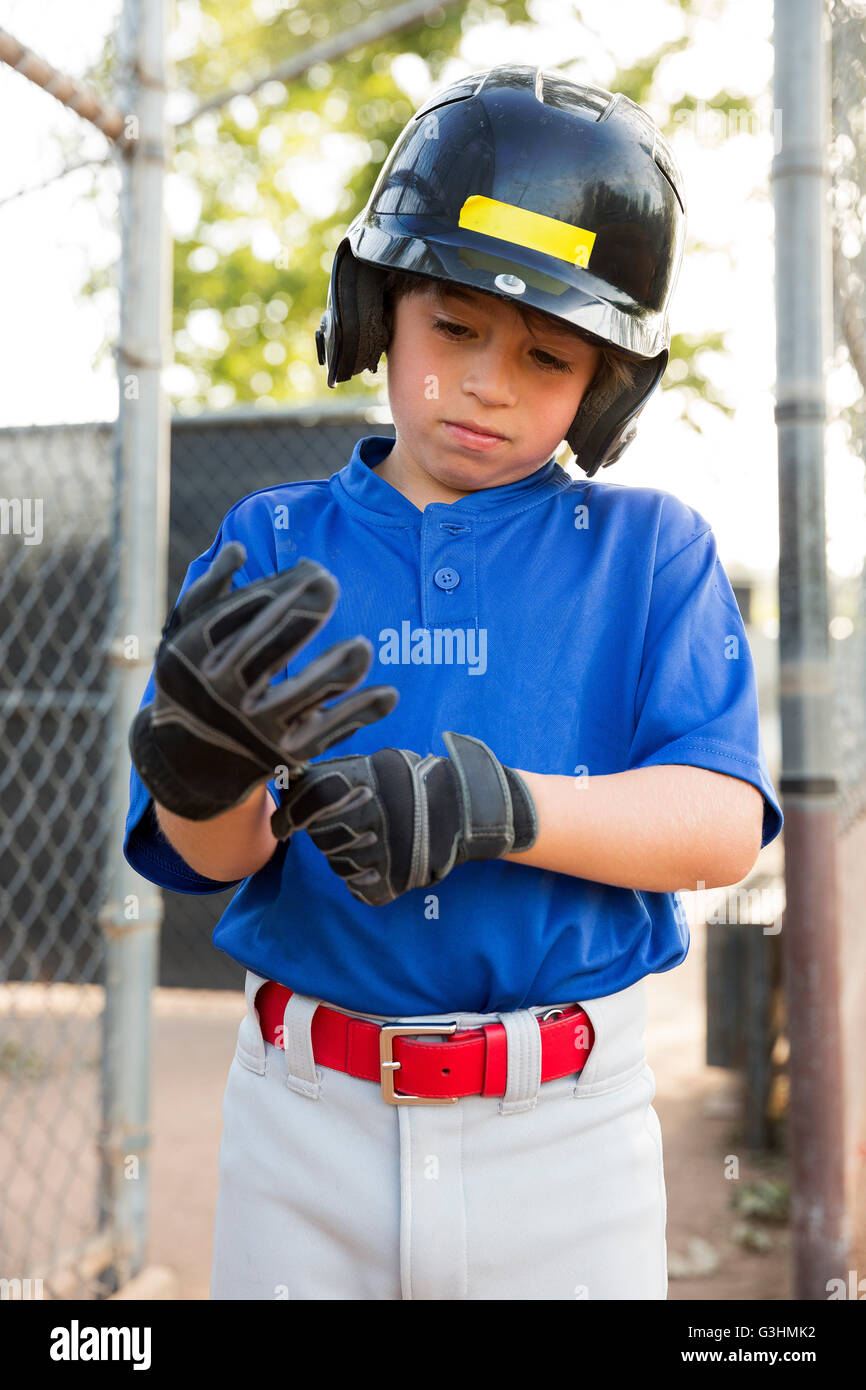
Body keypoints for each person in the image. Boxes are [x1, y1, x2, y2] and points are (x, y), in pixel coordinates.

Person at [123, 64, 784, 1301]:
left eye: (545, 355)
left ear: (605, 384)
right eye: (454, 326)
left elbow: (717, 827)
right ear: (378, 310)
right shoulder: (274, 539)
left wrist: (501, 811)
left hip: (565, 1130)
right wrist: (205, 777)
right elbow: (206, 853)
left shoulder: (649, 550)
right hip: (301, 1114)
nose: (485, 381)